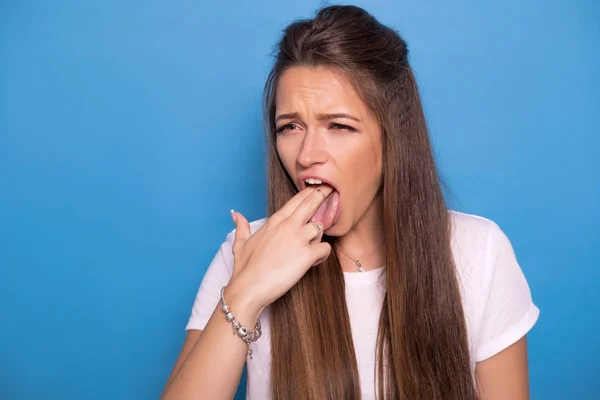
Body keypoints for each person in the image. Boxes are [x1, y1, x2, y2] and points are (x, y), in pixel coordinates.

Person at [161, 5, 540, 400]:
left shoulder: (480, 252)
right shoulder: (243, 255)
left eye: (338, 126)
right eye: (290, 126)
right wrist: (246, 292)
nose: (307, 154)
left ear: (392, 136)